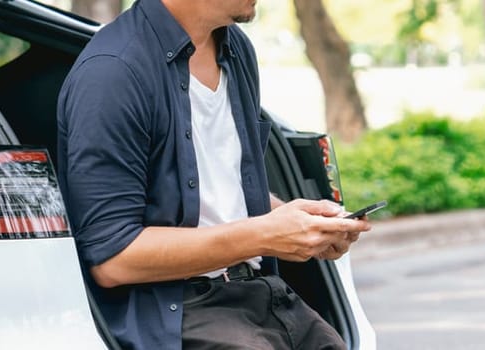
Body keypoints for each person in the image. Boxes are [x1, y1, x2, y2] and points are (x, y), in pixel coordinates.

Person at [55, 0, 372, 348]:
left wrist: (300, 222)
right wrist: (263, 236)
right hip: (177, 311)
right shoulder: (113, 72)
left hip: (260, 294)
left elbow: (220, 191)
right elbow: (113, 259)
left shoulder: (236, 50)